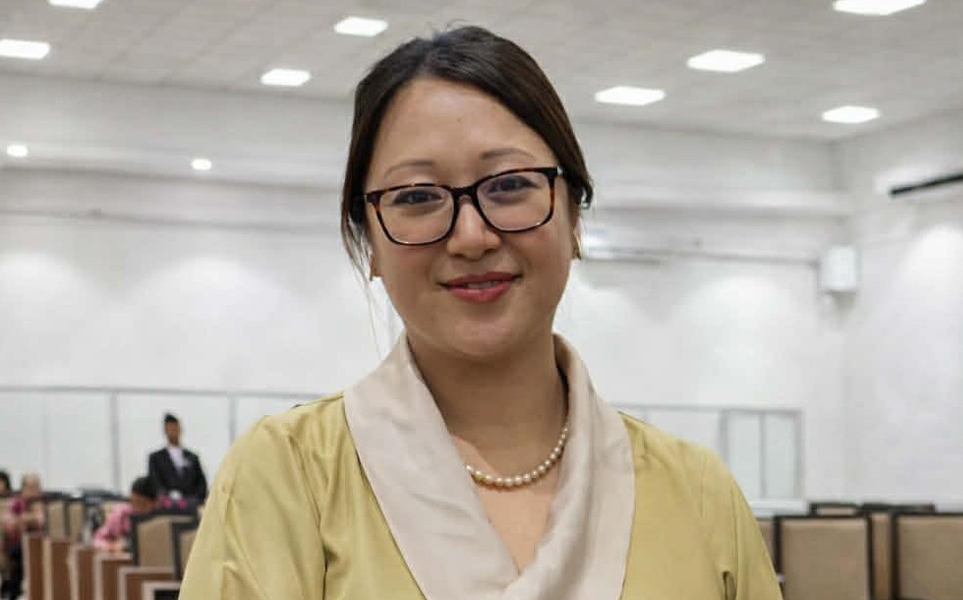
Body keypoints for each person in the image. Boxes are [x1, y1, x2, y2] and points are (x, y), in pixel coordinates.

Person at [181, 26, 781, 599]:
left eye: (510, 185)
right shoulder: (289, 476)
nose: (471, 236)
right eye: (417, 197)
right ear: (370, 244)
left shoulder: (698, 492)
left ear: (574, 217)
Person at [1, 473, 45, 599]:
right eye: (29, 487)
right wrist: (27, 519)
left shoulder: (43, 503)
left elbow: (41, 520)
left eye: (35, 487)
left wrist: (22, 519)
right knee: (20, 553)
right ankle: (14, 591)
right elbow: (8, 521)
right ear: (23, 488)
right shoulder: (15, 502)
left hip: (41, 544)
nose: (33, 491)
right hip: (17, 544)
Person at [147, 413, 208, 504]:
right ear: (165, 430)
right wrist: (168, 497)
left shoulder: (192, 457)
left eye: (175, 428)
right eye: (170, 428)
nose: (173, 431)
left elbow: (201, 482)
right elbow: (155, 483)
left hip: (192, 504)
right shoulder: (156, 458)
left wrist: (195, 499)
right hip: (168, 505)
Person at [93, 476, 159, 553]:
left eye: (142, 504)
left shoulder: (161, 520)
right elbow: (97, 540)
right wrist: (111, 546)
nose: (136, 508)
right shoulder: (120, 514)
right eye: (133, 501)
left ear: (155, 503)